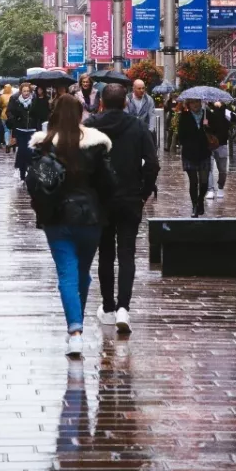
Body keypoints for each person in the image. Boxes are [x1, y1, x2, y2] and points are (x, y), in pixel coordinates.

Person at [29, 94, 115, 358]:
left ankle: (75, 332)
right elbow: (109, 184)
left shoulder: (44, 144)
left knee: (67, 274)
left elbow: (34, 184)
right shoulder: (96, 144)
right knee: (82, 273)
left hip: (56, 219)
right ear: (81, 114)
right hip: (90, 218)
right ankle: (77, 324)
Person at [84, 85, 159, 334]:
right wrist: (144, 192)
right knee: (127, 253)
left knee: (105, 253)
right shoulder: (137, 126)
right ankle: (124, 307)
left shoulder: (91, 126)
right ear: (125, 102)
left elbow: (81, 162)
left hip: (100, 199)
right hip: (129, 197)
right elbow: (152, 163)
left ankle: (108, 307)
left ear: (102, 102)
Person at [177, 98, 213, 217]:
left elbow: (216, 129)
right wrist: (188, 143)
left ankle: (200, 199)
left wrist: (208, 128)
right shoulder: (185, 116)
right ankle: (194, 205)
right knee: (193, 182)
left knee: (204, 182)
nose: (195, 105)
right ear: (189, 104)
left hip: (204, 152)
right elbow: (181, 135)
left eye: (197, 102)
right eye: (192, 102)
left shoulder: (207, 114)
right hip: (189, 154)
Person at [7, 82, 40, 181]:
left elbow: (38, 113)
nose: (26, 93)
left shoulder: (35, 100)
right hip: (20, 129)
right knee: (22, 150)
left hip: (31, 129)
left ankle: (30, 170)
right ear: (21, 91)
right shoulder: (15, 99)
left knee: (30, 151)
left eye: (28, 91)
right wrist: (15, 120)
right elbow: (9, 111)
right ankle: (22, 172)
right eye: (24, 91)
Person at [204, 100, 234, 200]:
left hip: (222, 144)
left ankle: (220, 187)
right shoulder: (206, 112)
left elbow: (234, 120)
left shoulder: (226, 112)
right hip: (209, 144)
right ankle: (210, 189)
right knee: (208, 168)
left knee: (222, 170)